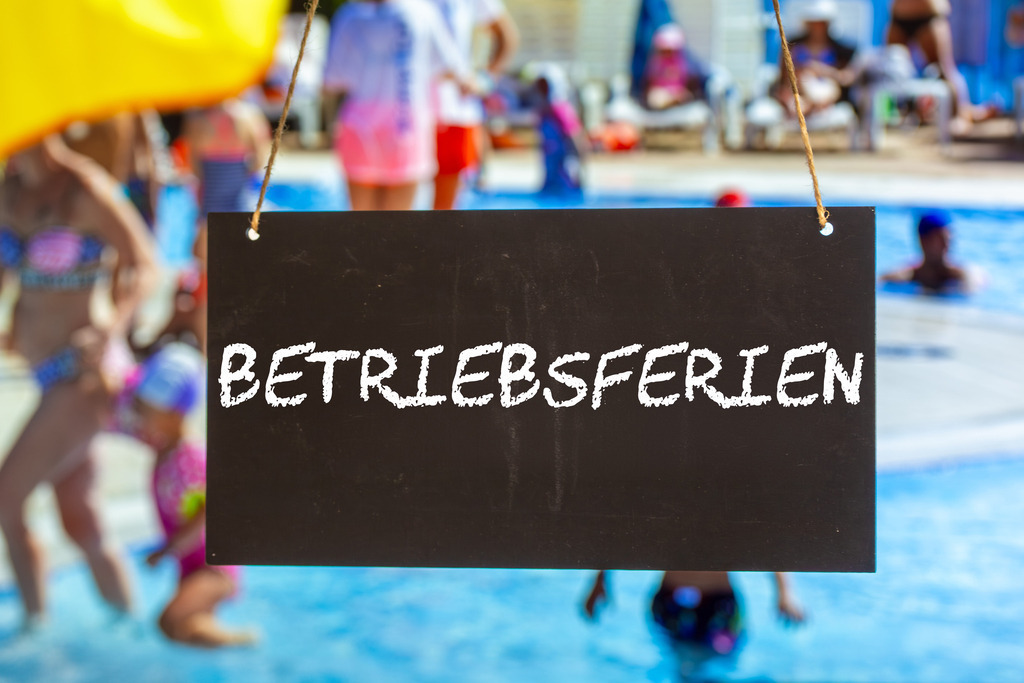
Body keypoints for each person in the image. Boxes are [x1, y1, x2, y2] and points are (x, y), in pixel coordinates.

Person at [0, 135, 156, 628]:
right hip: (45, 375)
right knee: (81, 520)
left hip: (83, 373)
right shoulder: (10, 190)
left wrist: (114, 327)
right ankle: (129, 629)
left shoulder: (84, 188)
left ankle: (33, 634)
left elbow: (146, 264)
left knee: (5, 498)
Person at [115, 343, 251, 647]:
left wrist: (168, 549)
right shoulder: (164, 448)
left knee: (169, 622)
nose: (139, 417)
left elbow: (212, 509)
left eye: (147, 410)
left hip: (213, 569)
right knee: (184, 627)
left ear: (175, 416)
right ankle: (229, 649)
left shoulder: (189, 458)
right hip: (190, 565)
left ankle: (245, 644)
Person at [323, 0, 475, 211]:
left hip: (360, 125)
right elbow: (450, 68)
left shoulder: (350, 14)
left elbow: (331, 79)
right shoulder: (421, 12)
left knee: (361, 221)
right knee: (397, 223)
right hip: (406, 126)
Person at [583, 570, 804, 656]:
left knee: (716, 660)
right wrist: (599, 581)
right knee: (682, 659)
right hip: (674, 600)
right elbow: (626, 522)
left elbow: (763, 532)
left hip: (716, 603)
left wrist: (785, 593)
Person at [430, 0, 519, 210]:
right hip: (405, 111)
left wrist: (485, 80)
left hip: (452, 110)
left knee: (443, 214)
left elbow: (506, 36)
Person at [887, 0, 993, 133]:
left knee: (944, 69)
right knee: (891, 70)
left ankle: (960, 115)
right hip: (900, 15)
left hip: (929, 15)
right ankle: (904, 112)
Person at [776, 0, 856, 115]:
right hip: (799, 93)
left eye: (821, 22)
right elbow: (783, 79)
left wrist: (822, 71)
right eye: (814, 22)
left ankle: (813, 106)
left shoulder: (842, 51)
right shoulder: (793, 46)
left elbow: (847, 78)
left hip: (828, 97)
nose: (817, 26)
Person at [881, 210, 969, 292]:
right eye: (941, 240)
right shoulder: (902, 277)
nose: (946, 246)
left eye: (949, 241)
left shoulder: (963, 276)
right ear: (923, 241)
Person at [534, 68, 586, 196]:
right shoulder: (544, 112)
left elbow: (576, 137)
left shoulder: (561, 110)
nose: (541, 90)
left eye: (544, 86)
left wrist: (580, 167)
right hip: (550, 167)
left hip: (564, 167)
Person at [642, 24, 704, 111]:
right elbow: (651, 79)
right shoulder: (656, 62)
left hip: (676, 91)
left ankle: (673, 102)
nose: (668, 53)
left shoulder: (681, 62)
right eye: (665, 50)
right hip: (661, 91)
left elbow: (685, 79)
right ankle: (668, 103)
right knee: (655, 97)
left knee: (686, 95)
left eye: (671, 50)